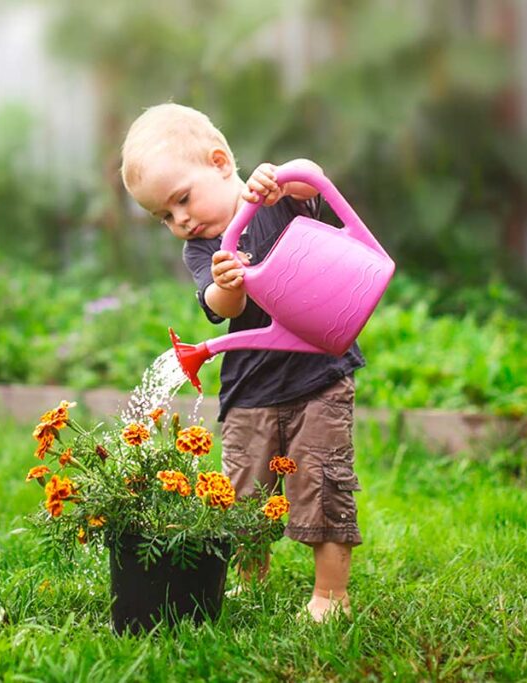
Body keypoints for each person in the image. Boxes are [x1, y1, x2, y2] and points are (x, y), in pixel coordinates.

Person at [120, 103, 366, 622]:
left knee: (323, 483)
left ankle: (330, 596)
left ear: (220, 162)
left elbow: (313, 181)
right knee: (243, 494)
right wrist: (226, 283)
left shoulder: (274, 200)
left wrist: (281, 179)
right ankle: (253, 581)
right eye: (164, 216)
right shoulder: (205, 248)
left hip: (317, 375)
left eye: (182, 199)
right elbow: (217, 305)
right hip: (249, 387)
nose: (180, 219)